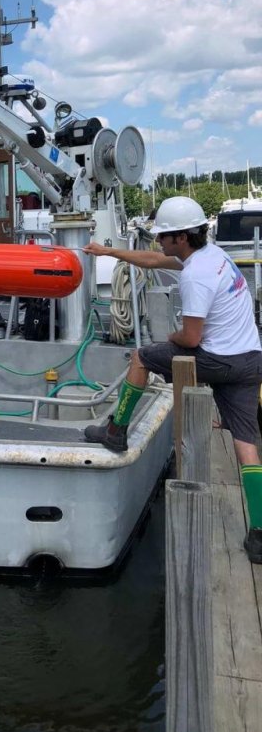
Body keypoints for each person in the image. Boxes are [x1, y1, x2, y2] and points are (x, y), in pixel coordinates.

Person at [82, 195, 262, 564]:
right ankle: (259, 533)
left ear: (181, 237)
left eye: (163, 236)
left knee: (142, 356)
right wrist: (108, 252)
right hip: (250, 359)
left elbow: (192, 338)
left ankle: (117, 430)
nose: (158, 242)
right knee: (246, 444)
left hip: (219, 359)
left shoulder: (195, 275)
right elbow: (151, 261)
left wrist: (171, 338)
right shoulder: (214, 257)